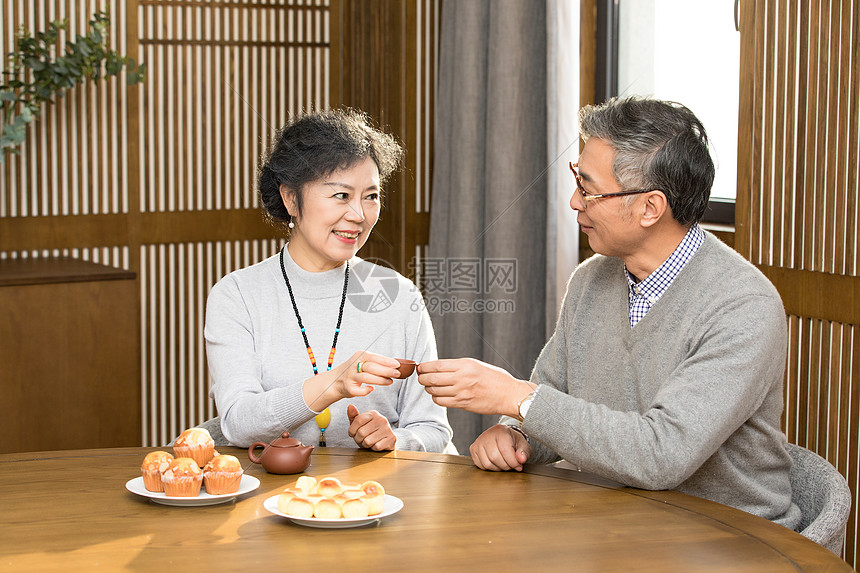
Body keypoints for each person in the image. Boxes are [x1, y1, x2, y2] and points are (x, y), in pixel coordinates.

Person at [416, 96, 801, 528]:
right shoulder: (591, 280)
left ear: (649, 208)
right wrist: (517, 434)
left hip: (730, 537)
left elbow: (661, 456)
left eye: (588, 188)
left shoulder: (742, 307)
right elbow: (553, 396)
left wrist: (517, 398)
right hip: (619, 523)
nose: (574, 202)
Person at [205, 108, 452, 453]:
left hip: (376, 496)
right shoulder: (237, 296)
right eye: (341, 195)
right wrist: (332, 385)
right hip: (268, 496)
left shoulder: (398, 295)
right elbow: (238, 423)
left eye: (371, 196)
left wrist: (398, 440)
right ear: (291, 198)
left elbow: (433, 429)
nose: (358, 215)